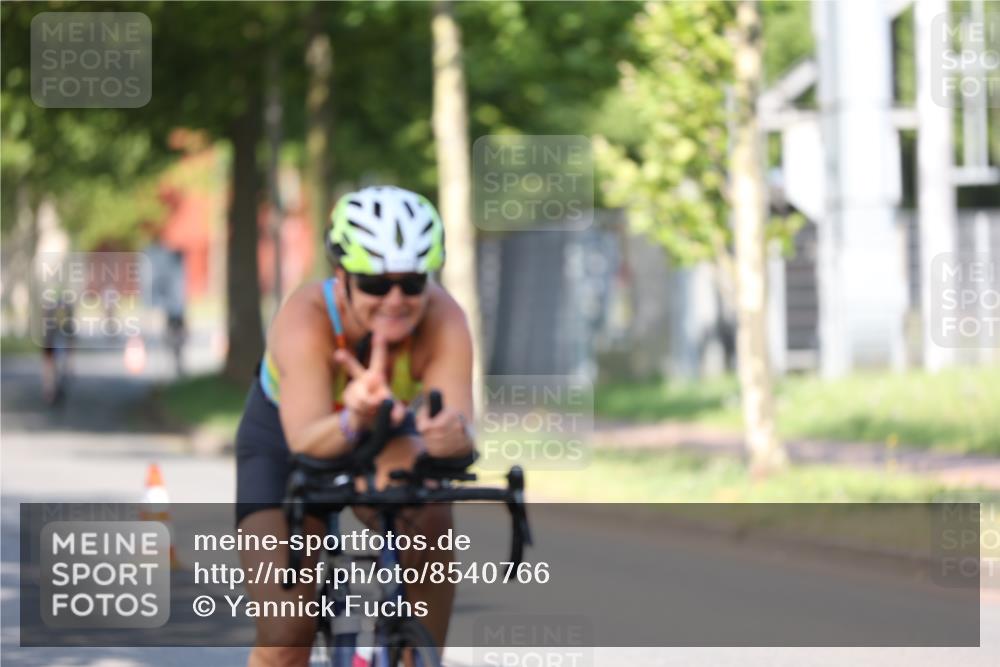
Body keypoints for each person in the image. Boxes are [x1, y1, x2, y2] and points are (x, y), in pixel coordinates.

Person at [235, 186, 476, 667]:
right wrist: (353, 417)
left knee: (429, 511)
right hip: (285, 442)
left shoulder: (445, 319)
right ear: (342, 276)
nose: (395, 300)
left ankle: (418, 657)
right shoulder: (305, 320)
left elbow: (459, 425)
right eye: (373, 283)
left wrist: (452, 437)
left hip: (385, 434)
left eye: (411, 283)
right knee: (285, 632)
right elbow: (306, 441)